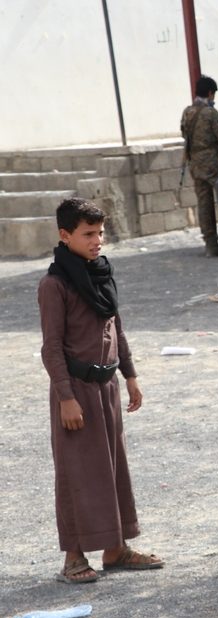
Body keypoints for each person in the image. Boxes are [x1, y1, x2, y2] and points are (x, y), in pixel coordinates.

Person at [37, 198, 164, 585]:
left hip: (107, 387)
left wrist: (130, 374)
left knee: (112, 468)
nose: (97, 241)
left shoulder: (101, 274)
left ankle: (115, 548)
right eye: (88, 234)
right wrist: (66, 397)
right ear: (65, 235)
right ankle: (73, 556)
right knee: (77, 472)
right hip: (76, 391)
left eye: (100, 233)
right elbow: (51, 348)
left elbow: (115, 327)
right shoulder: (55, 285)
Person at [180, 75, 218, 257]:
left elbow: (184, 135)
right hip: (212, 163)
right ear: (210, 93)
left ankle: (210, 244)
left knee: (204, 204)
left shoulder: (187, 112)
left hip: (195, 163)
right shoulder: (211, 113)